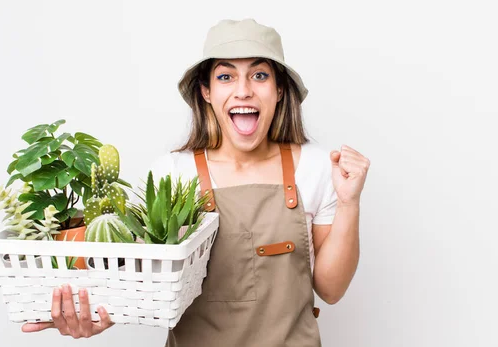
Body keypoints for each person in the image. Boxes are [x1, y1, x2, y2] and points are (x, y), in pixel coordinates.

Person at [22, 18, 370, 346]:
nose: (244, 91)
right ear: (205, 92)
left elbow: (332, 288)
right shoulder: (173, 173)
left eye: (260, 75)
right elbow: (142, 282)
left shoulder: (315, 167)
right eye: (226, 77)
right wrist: (98, 315)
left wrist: (349, 202)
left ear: (279, 91)